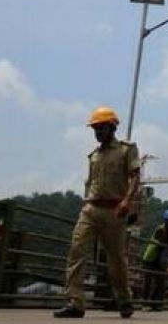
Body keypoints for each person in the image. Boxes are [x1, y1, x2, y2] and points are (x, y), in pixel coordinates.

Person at [54, 107, 140, 319]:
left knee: (116, 259)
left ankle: (124, 300)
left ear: (112, 127)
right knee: (76, 252)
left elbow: (135, 176)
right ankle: (75, 303)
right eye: (95, 129)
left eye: (101, 128)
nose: (97, 132)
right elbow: (90, 183)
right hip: (91, 209)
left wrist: (127, 200)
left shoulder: (126, 150)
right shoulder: (93, 156)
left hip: (114, 210)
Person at [141, 209, 168, 311]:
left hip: (160, 259)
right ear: (165, 220)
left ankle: (155, 303)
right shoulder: (160, 229)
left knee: (160, 281)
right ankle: (144, 304)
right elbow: (163, 242)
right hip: (151, 257)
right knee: (148, 281)